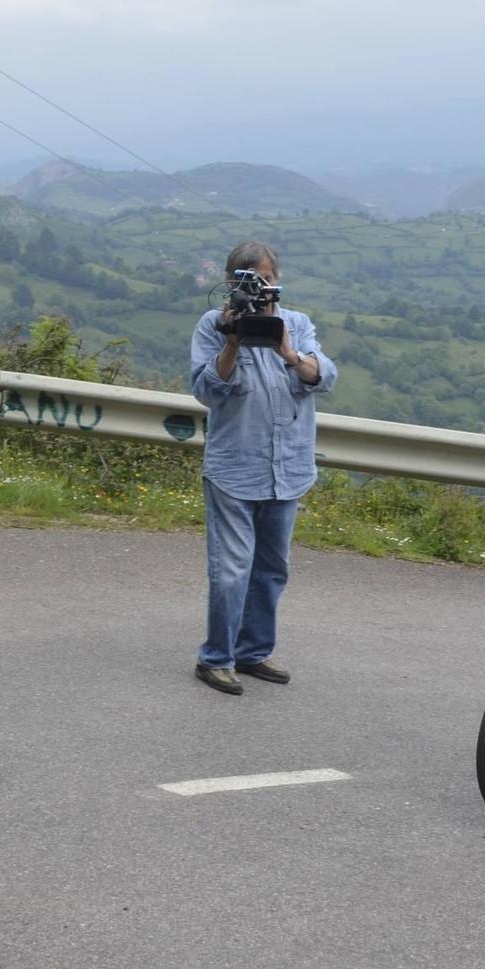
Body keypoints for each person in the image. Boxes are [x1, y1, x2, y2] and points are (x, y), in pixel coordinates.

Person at [188, 241, 338, 694]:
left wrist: (288, 351)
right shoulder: (213, 326)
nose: (260, 290)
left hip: (287, 467)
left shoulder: (297, 324)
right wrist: (232, 342)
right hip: (235, 467)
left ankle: (253, 652)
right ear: (233, 284)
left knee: (272, 567)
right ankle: (216, 658)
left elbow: (325, 377)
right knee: (232, 569)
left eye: (267, 280)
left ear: (277, 281)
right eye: (250, 282)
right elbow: (206, 390)